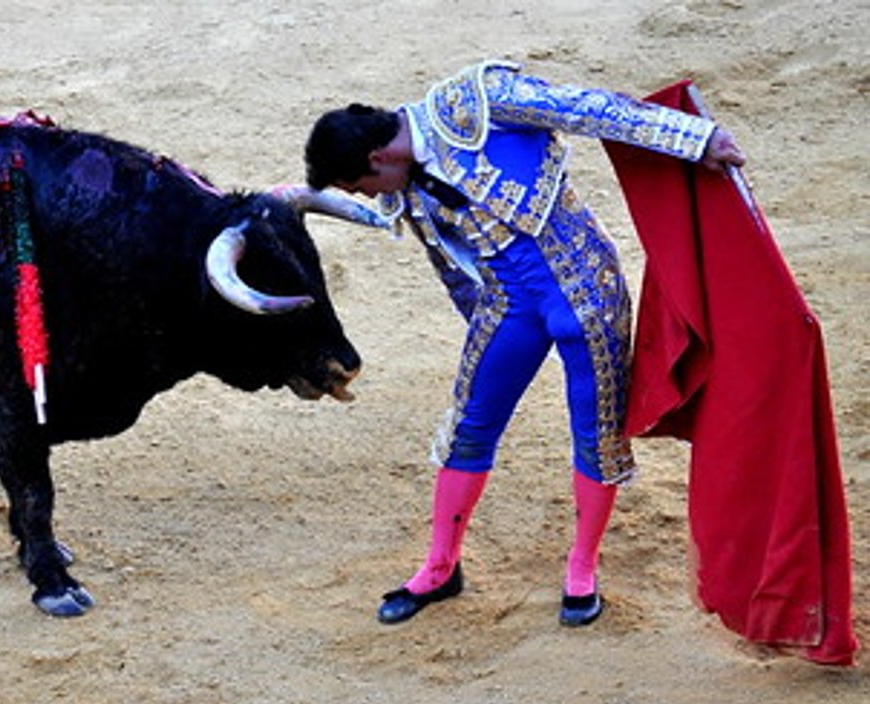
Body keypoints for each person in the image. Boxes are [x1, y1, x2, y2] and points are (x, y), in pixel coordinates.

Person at [303, 60, 746, 627]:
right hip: (508, 305)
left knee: (596, 435)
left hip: (587, 291)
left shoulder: (481, 99)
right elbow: (454, 270)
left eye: (360, 186)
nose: (371, 196)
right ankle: (440, 567)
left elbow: (585, 108)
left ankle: (581, 569)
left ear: (376, 159)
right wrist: (480, 333)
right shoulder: (406, 185)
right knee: (470, 424)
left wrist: (693, 138)